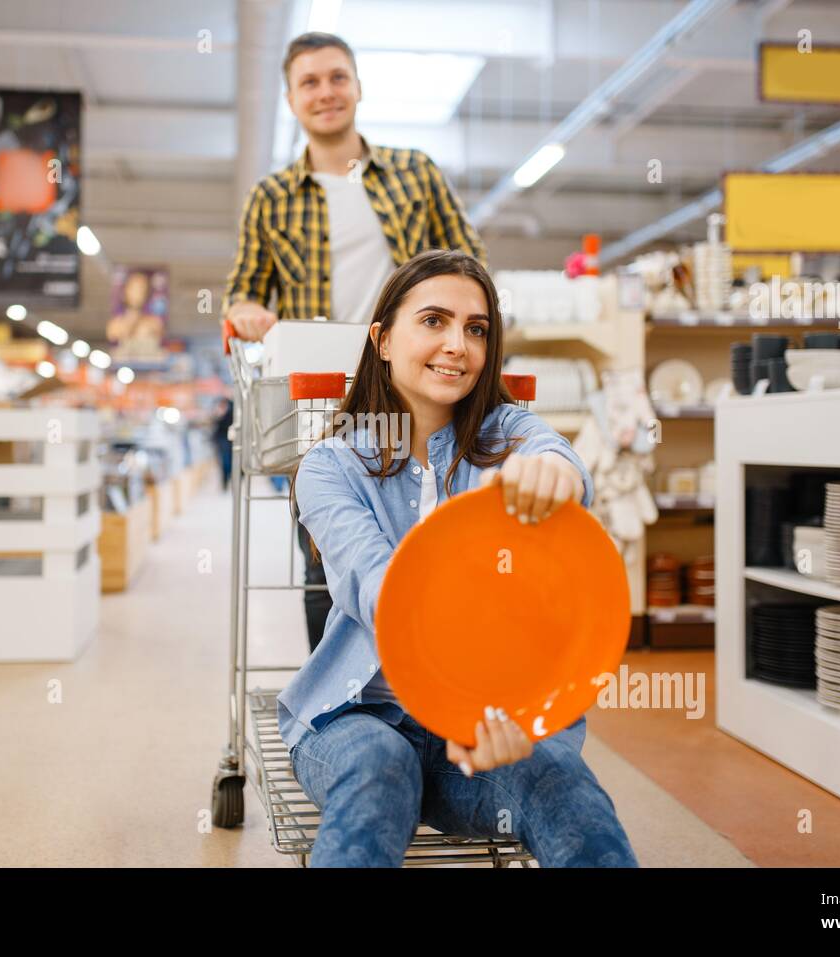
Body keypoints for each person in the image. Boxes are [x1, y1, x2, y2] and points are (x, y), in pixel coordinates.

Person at [280, 249, 638, 867]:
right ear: (383, 338)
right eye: (434, 321)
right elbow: (384, 592)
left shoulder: (507, 437)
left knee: (563, 785)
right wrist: (467, 700)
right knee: (377, 765)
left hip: (483, 734)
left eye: (476, 329)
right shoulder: (331, 466)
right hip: (356, 716)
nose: (457, 345)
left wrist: (553, 474)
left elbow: (558, 457)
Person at [223, 30, 487, 652]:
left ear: (358, 87)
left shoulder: (415, 174)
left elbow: (472, 264)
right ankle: (338, 705)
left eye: (337, 77)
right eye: (309, 82)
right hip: (320, 405)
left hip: (417, 388)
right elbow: (240, 294)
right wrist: (247, 313)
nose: (326, 92)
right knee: (328, 558)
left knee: (429, 538)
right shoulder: (271, 198)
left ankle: (431, 688)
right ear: (291, 99)